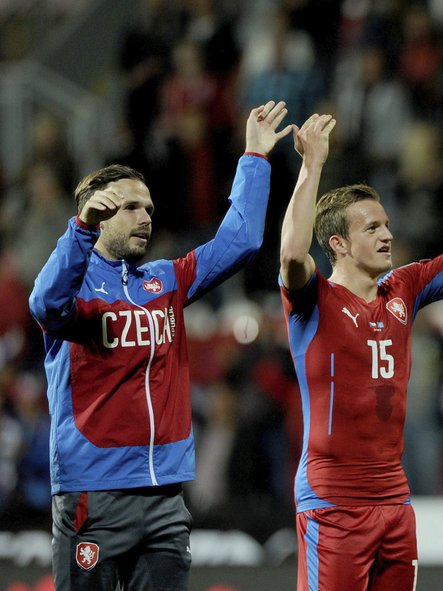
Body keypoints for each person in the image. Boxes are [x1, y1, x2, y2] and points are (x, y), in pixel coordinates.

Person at [28, 100, 293, 591]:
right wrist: (79, 231)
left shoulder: (166, 281)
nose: (145, 216)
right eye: (129, 207)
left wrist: (254, 156)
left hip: (166, 497)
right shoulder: (74, 287)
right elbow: (44, 304)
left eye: (148, 207)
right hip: (95, 495)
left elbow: (241, 242)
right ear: (97, 214)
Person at [277, 109, 443, 590]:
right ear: (338, 243)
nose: (387, 235)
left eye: (386, 224)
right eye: (371, 229)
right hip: (333, 499)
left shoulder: (406, 287)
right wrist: (312, 166)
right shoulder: (313, 300)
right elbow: (291, 255)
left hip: (395, 500)